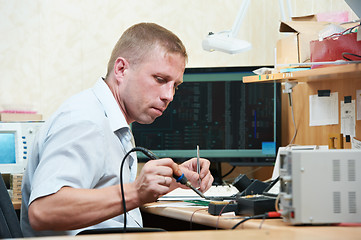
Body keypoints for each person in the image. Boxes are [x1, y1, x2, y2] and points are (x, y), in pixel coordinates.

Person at [20, 22, 213, 237]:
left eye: (175, 86)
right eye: (160, 79)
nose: (169, 95)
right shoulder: (86, 121)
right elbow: (44, 211)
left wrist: (172, 180)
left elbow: (100, 190)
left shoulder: (110, 119)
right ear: (121, 69)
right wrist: (136, 191)